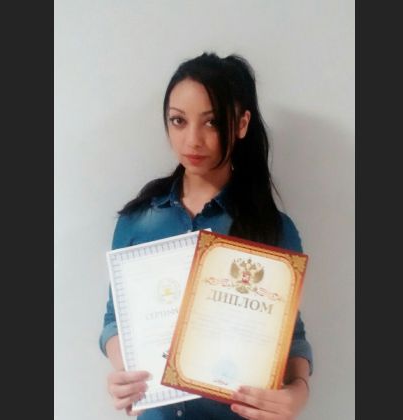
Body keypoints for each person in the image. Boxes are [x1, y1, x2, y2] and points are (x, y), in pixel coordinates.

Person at [100, 52, 313, 419]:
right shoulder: (137, 222)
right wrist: (125, 373)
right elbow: (113, 321)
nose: (192, 140)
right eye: (178, 121)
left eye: (212, 122)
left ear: (242, 124)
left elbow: (290, 336)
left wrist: (297, 394)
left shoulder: (272, 230)